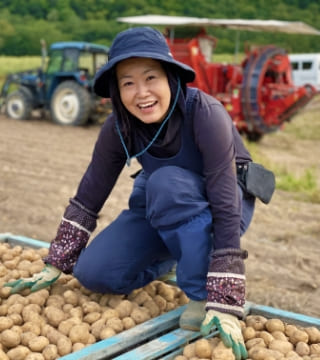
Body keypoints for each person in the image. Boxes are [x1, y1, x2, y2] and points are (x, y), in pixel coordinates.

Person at [5, 27, 260, 360]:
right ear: (116, 90)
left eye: (150, 77)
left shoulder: (205, 114)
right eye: (128, 83)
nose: (141, 93)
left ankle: (199, 289)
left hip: (226, 201)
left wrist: (224, 299)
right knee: (94, 272)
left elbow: (225, 199)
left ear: (170, 76)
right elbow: (91, 189)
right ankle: (175, 252)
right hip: (165, 200)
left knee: (164, 183)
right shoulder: (118, 127)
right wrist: (59, 259)